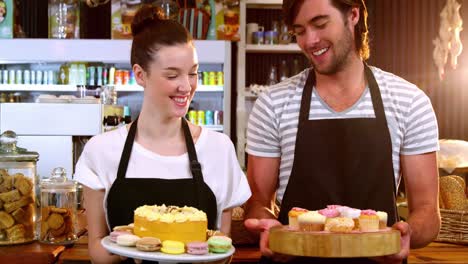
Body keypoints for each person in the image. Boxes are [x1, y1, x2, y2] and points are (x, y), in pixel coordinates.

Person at [244, 0, 440, 263]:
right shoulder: (273, 104)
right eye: (299, 31)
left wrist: (407, 234)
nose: (310, 40)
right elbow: (257, 202)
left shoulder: (409, 102)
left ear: (353, 15)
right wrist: (273, 231)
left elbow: (428, 211)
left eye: (320, 24)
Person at [74, 5, 251, 263]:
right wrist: (134, 250)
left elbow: (222, 250)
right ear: (140, 75)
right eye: (172, 75)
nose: (186, 86)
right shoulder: (101, 150)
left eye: (193, 73)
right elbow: (98, 251)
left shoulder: (219, 149)